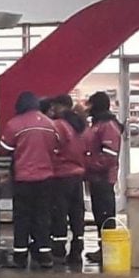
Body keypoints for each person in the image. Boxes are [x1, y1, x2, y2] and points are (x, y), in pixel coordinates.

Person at [0, 91, 59, 270]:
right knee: (42, 216)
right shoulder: (51, 125)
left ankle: (20, 257)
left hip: (23, 178)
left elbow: (4, 149)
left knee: (22, 217)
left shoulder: (14, 124)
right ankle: (45, 256)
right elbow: (57, 147)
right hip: (46, 178)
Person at [83, 91, 124, 264]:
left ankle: (108, 251)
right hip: (97, 177)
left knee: (105, 214)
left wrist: (90, 166)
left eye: (90, 104)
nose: (88, 108)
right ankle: (104, 249)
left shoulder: (107, 125)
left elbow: (109, 155)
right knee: (100, 214)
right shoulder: (100, 123)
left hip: (103, 178)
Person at [48, 94, 87, 268]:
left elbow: (52, 148)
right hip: (78, 175)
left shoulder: (59, 126)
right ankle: (77, 250)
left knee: (60, 215)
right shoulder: (80, 125)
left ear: (60, 106)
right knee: (77, 215)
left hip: (61, 175)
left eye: (54, 106)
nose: (52, 110)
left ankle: (58, 251)